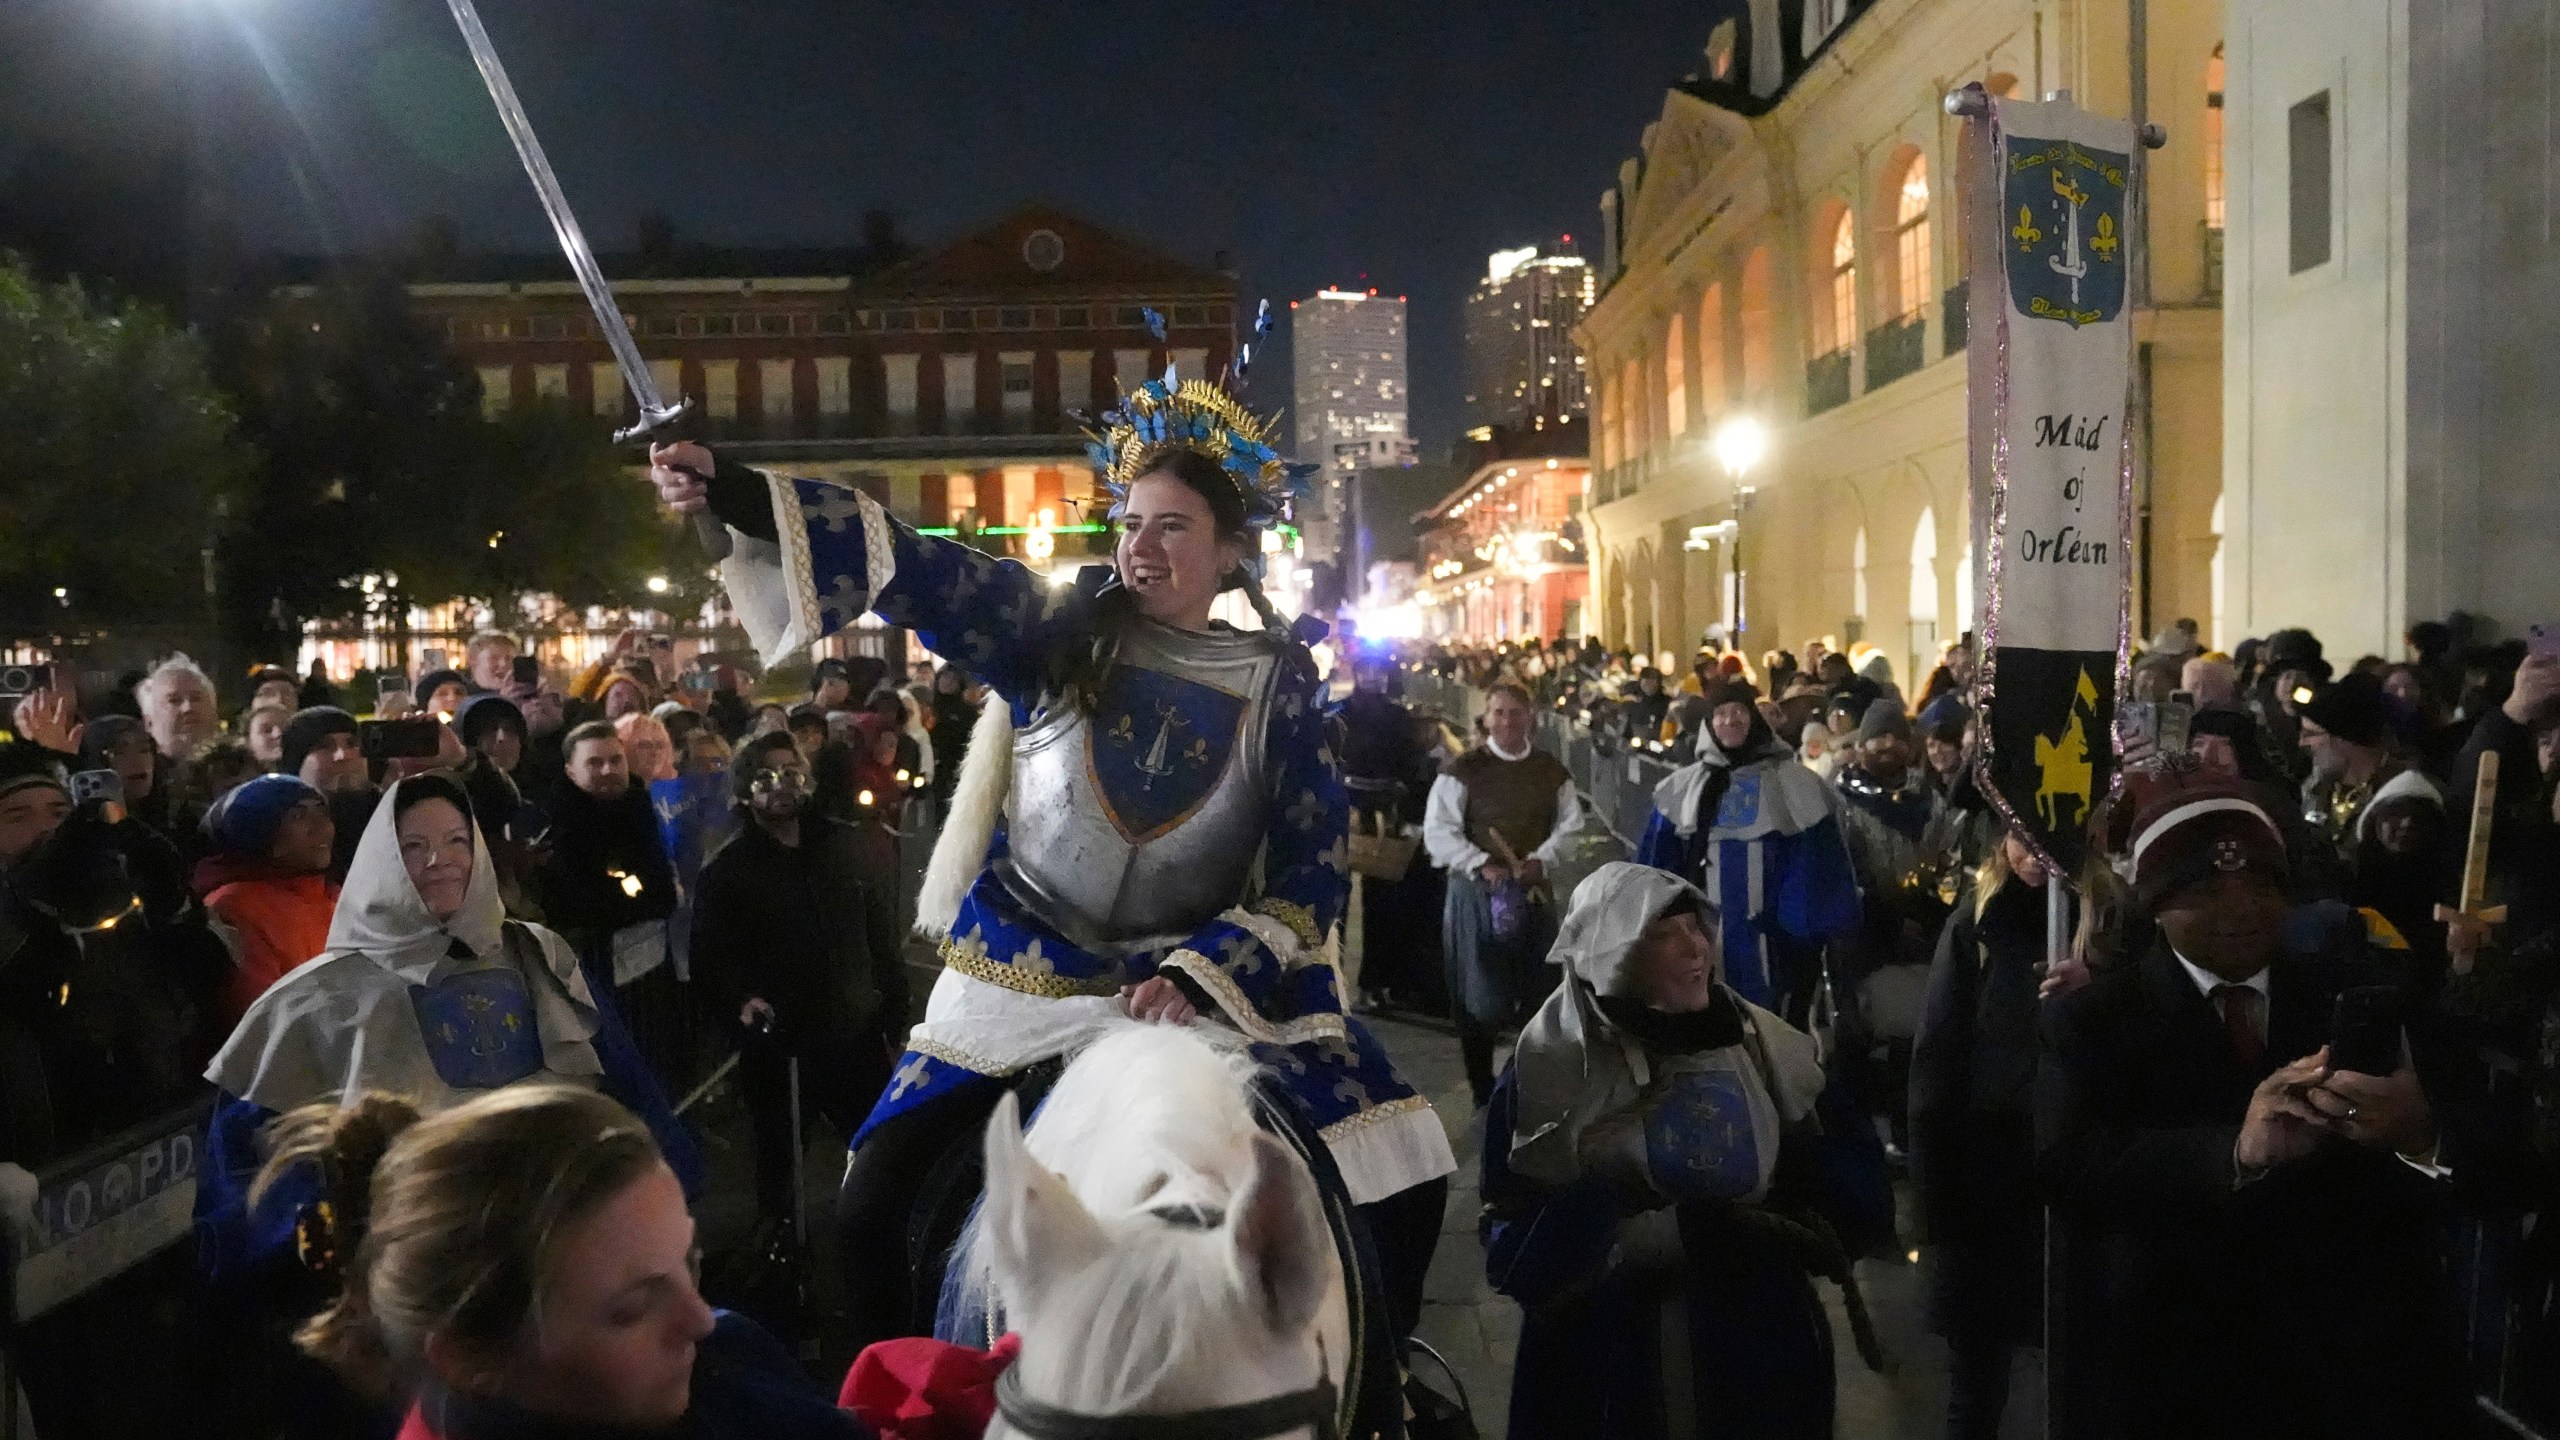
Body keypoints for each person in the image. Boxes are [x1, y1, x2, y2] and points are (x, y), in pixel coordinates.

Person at [648, 367, 1454, 1383]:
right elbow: (916, 566)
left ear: (1229, 552)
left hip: (1189, 993)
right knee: (870, 1202)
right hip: (1020, 984)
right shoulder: (1055, 634)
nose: (1140, 545)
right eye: (1130, 521)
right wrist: (732, 490)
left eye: (1171, 526)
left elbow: (1306, 883)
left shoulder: (1281, 691)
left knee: (1405, 1163)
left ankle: (1389, 1387)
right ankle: (878, 1405)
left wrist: (1201, 968)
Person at [2036, 771, 2464, 1438]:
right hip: (2175, 1365)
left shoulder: (2355, 998)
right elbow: (2069, 1167)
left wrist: (2418, 1135)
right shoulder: (2095, 1021)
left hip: (2341, 1368)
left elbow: (2462, 1164)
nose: (2239, 907)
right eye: (2205, 891)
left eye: (2262, 886)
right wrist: (2234, 1151)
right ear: (2156, 905)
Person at [1484, 862, 1873, 1440]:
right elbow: (1509, 1244)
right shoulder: (1550, 1069)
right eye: (1664, 934)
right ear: (1611, 956)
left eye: (1698, 927)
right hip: (1613, 1370)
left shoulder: (1768, 1051)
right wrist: (1634, 1234)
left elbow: (1855, 1195)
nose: (1697, 948)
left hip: (1758, 1355)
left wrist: (1795, 1223)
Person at [252, 1085, 859, 1439]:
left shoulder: (728, 1361)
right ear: (470, 1356)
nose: (701, 1320)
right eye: (632, 1310)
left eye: (689, 1263)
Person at [692, 733, 908, 1229]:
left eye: (791, 772)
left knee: (877, 1149)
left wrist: (893, 1003)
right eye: (766, 777)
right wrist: (740, 1001)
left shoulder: (841, 846)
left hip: (853, 1031)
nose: (781, 785)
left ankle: (879, 1236)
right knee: (781, 1160)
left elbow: (877, 930)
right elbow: (710, 957)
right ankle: (783, 1251)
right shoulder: (727, 870)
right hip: (781, 1045)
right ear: (746, 792)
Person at [1911, 829, 2062, 1440]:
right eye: (2019, 839)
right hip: (1986, 1184)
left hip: (2064, 1182)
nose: (2031, 855)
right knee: (1976, 1381)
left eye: (2044, 840)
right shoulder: (1975, 926)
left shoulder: (2111, 925)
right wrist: (1935, 1206)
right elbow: (1938, 1062)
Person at [1637, 680, 1860, 1026]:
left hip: (1773, 944)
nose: (1730, 720)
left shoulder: (1794, 784)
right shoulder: (1682, 790)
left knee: (1772, 1028)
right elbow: (1657, 867)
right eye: (1721, 713)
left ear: (1753, 719)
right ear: (1709, 724)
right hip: (1702, 941)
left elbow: (1816, 864)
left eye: (1739, 712)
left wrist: (1798, 928)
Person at [1424, 681, 1581, 1106]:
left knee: (1539, 989)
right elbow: (1439, 831)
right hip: (1476, 895)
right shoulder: (1465, 770)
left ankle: (1528, 1084)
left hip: (1532, 893)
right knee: (1479, 995)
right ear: (1487, 717)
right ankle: (1481, 1089)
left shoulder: (1550, 771)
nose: (1508, 721)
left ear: (1531, 715)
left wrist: (1541, 861)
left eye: (1516, 712)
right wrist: (1480, 864)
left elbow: (1570, 826)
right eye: (1499, 712)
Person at [536, 722, 683, 1085]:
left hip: (649, 970)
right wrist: (637, 894)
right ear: (571, 770)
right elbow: (582, 899)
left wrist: (639, 894)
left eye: (615, 760)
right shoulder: (559, 822)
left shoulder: (637, 806)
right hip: (592, 969)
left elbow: (661, 888)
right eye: (595, 763)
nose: (608, 771)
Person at [195, 774, 340, 1027]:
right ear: (259, 830)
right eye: (298, 816)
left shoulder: (337, 896)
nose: (321, 827)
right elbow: (263, 1018)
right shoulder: (234, 907)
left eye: (322, 813)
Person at [139, 652, 221, 764]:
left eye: (196, 698)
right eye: (174, 700)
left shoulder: (243, 771)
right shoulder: (138, 776)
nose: (188, 708)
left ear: (214, 713)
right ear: (148, 722)